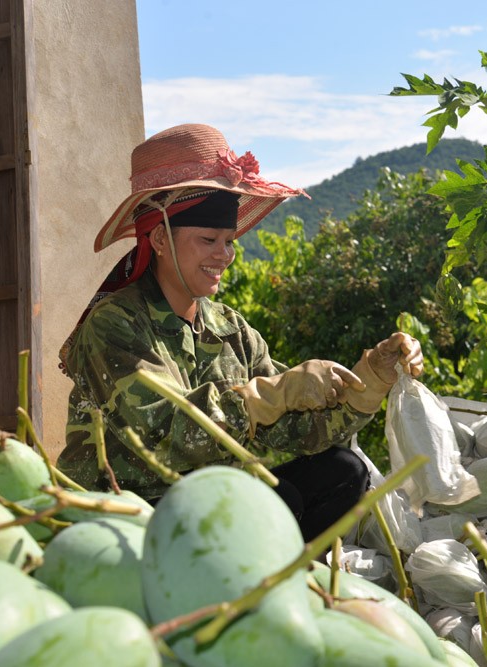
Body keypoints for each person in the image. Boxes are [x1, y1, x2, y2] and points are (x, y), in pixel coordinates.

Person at [56, 123, 423, 541]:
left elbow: (297, 430)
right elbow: (165, 437)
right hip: (129, 509)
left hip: (209, 501)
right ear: (159, 238)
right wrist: (269, 395)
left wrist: (370, 380)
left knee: (342, 472)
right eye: (209, 239)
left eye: (230, 241)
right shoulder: (115, 325)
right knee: (276, 500)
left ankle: (264, 577)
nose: (224, 255)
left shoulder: (230, 330)